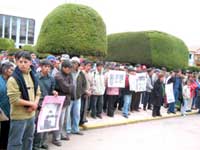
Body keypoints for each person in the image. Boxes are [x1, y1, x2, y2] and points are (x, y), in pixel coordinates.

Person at [7, 51, 41, 150]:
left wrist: (34, 105)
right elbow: (14, 100)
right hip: (18, 117)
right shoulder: (13, 79)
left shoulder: (33, 76)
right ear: (16, 62)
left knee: (28, 140)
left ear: (30, 62)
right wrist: (32, 104)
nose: (22, 64)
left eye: (25, 62)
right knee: (15, 143)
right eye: (20, 61)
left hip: (31, 115)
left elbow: (38, 92)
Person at [33, 59, 58, 150]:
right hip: (38, 103)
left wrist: (54, 92)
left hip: (48, 103)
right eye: (45, 67)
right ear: (41, 66)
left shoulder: (51, 78)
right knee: (38, 125)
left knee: (46, 124)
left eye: (49, 67)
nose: (47, 69)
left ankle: (43, 142)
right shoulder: (35, 77)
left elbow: (52, 90)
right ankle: (36, 145)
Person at [54, 60, 74, 146]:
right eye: (68, 68)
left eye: (70, 68)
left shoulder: (69, 74)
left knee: (65, 120)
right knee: (59, 121)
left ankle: (63, 134)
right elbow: (66, 88)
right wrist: (70, 87)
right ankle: (56, 138)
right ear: (63, 68)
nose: (69, 70)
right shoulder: (58, 75)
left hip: (67, 99)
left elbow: (72, 85)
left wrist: (70, 87)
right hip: (60, 100)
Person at [66, 57, 86, 135]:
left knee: (76, 114)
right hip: (69, 98)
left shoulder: (81, 73)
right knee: (67, 115)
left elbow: (84, 84)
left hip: (77, 98)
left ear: (78, 64)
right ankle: (67, 130)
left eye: (75, 63)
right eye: (72, 62)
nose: (74, 64)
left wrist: (81, 93)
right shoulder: (68, 72)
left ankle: (75, 129)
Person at [0, 62, 14, 150]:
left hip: (10, 110)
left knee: (7, 131)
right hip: (1, 109)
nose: (12, 71)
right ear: (5, 70)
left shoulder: (11, 80)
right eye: (11, 69)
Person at [80, 61, 93, 125]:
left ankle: (83, 120)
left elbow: (91, 84)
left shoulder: (90, 74)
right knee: (81, 108)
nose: (89, 67)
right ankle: (79, 121)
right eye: (87, 66)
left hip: (88, 93)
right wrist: (85, 91)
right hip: (82, 93)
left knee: (86, 108)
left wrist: (90, 91)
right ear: (84, 66)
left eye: (90, 66)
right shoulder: (81, 73)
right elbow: (80, 85)